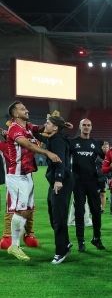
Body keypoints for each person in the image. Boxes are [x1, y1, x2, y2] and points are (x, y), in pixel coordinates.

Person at [5, 101, 61, 261]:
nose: (27, 110)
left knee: (28, 211)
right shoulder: (14, 129)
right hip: (17, 175)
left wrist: (60, 124)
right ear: (16, 114)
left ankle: (17, 243)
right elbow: (28, 145)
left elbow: (42, 129)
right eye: (23, 109)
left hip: (27, 174)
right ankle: (14, 246)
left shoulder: (28, 127)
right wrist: (47, 152)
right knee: (21, 211)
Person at [70, 118, 105, 252]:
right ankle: (81, 241)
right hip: (78, 183)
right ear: (80, 126)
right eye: (84, 125)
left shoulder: (95, 144)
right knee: (79, 212)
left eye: (88, 125)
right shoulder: (73, 143)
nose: (86, 127)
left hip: (92, 182)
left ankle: (97, 238)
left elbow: (105, 158)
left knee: (96, 212)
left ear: (91, 127)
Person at [44, 116, 75, 264]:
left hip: (60, 182)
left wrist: (59, 179)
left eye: (48, 123)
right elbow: (40, 136)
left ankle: (61, 251)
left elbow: (60, 160)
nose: (45, 125)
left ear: (55, 128)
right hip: (58, 181)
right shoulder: (55, 138)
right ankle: (65, 243)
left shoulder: (57, 141)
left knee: (59, 217)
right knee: (54, 214)